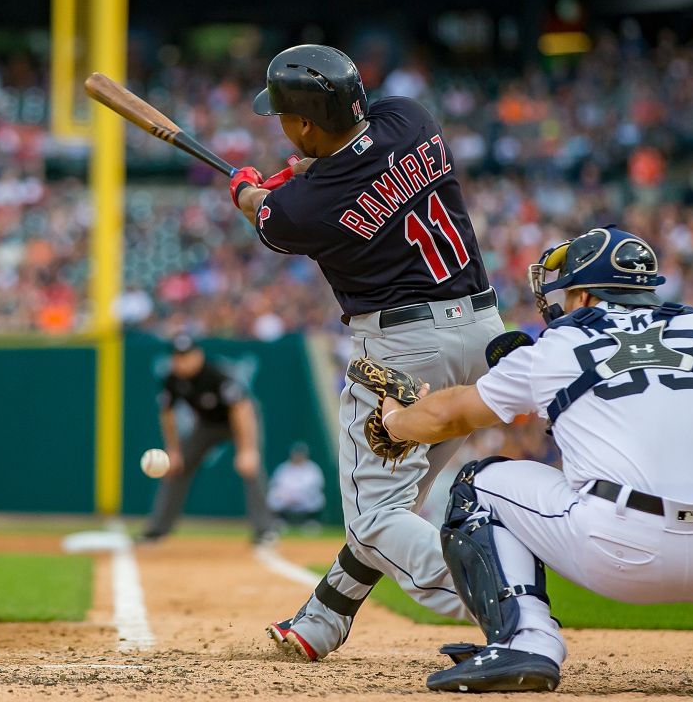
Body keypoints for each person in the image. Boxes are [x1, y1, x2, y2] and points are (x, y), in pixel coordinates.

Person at [377, 226, 693, 694]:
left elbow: (449, 416)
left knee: (477, 483)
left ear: (582, 294)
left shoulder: (558, 348)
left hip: (621, 551)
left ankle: (527, 643)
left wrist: (396, 419)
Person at [229, 44, 504, 660]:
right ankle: (321, 621)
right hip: (482, 335)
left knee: (378, 519)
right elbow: (356, 159)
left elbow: (265, 213)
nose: (281, 126)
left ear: (304, 124)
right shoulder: (410, 117)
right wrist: (304, 171)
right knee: (393, 507)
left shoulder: (305, 208)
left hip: (407, 354)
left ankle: (511, 605)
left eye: (284, 118)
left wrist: (249, 185)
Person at [139, 334, 276, 545]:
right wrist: (173, 451)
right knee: (177, 467)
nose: (182, 361)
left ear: (198, 355)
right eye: (178, 357)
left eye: (186, 356)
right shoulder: (172, 379)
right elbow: (167, 415)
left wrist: (247, 449)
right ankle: (158, 528)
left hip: (239, 422)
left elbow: (242, 409)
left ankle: (265, 529)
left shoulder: (215, 374)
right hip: (207, 426)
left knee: (251, 467)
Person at [267, 442, 325, 530]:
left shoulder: (312, 468)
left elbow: (316, 487)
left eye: (300, 454)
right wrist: (287, 497)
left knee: (318, 498)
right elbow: (276, 485)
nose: (298, 456)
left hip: (304, 500)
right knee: (272, 495)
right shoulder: (283, 468)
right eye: (296, 453)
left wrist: (298, 497)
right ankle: (281, 520)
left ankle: (310, 521)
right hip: (287, 500)